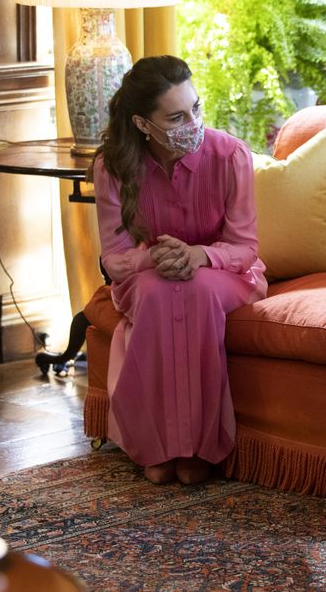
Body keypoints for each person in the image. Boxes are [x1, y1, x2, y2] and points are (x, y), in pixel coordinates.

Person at [89, 55, 267, 485]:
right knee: (156, 291)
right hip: (145, 277)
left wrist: (199, 256)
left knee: (196, 290)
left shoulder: (230, 155)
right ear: (142, 124)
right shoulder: (112, 167)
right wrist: (154, 257)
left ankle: (196, 448)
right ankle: (156, 446)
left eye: (196, 108)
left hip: (225, 274)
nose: (193, 122)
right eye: (176, 116)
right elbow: (114, 258)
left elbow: (245, 247)